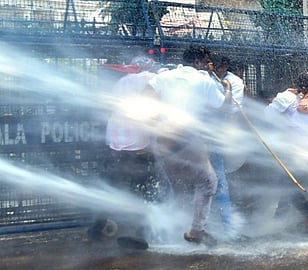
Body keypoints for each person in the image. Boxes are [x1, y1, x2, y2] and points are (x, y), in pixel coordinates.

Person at [148, 45, 232, 246]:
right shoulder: (203, 80)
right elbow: (223, 107)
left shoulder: (164, 76)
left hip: (161, 139)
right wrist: (228, 89)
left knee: (178, 186)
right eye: (205, 62)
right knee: (208, 181)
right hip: (186, 137)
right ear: (197, 62)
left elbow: (145, 98)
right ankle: (196, 230)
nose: (207, 66)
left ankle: (168, 228)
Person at [87, 55, 158, 243]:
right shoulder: (151, 79)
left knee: (112, 186)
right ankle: (141, 235)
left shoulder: (120, 83)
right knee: (143, 190)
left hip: (116, 144)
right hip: (138, 146)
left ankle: (96, 229)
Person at [264, 72, 308, 229]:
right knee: (288, 184)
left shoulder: (287, 97)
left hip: (302, 151)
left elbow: (267, 115)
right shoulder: (302, 100)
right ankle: (279, 220)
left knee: (287, 186)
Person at [207, 53, 245, 236]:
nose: (217, 71)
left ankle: (229, 227)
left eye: (221, 68)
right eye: (215, 67)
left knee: (222, 179)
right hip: (204, 135)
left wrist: (227, 90)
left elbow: (229, 109)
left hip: (223, 135)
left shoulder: (233, 82)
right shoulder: (206, 79)